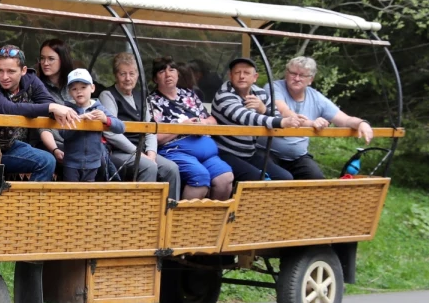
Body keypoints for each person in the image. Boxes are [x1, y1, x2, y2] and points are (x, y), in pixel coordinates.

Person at [0, 44, 81, 181]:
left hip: (11, 146)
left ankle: (32, 201)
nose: (4, 76)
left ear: (23, 70)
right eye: (0, 70)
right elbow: (8, 109)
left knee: (48, 160)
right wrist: (52, 108)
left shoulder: (31, 80)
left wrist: (79, 114)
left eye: (11, 71)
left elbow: (47, 102)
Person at [268, 56, 374, 180]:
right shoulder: (274, 87)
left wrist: (362, 123)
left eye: (302, 75)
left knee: (317, 179)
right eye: (293, 73)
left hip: (298, 157)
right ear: (286, 74)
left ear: (310, 79)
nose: (296, 78)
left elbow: (345, 120)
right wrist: (312, 123)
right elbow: (284, 111)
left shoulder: (316, 98)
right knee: (282, 178)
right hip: (268, 153)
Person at [148, 56, 235, 200]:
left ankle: (213, 221)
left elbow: (212, 120)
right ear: (155, 79)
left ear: (177, 74)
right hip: (176, 151)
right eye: (162, 71)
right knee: (199, 178)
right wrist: (181, 128)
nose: (168, 74)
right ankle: (183, 221)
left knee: (225, 179)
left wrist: (202, 123)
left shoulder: (189, 94)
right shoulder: (152, 101)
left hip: (207, 152)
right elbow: (153, 137)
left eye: (172, 69)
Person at [98, 53, 182, 200]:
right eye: (123, 74)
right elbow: (111, 133)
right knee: (148, 166)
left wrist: (151, 153)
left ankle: (168, 213)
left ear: (137, 75)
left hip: (142, 152)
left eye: (132, 73)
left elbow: (150, 128)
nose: (128, 78)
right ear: (116, 75)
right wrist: (138, 154)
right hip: (118, 152)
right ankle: (142, 215)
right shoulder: (108, 95)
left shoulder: (141, 96)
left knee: (171, 169)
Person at [212, 57, 304, 182]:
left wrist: (264, 109)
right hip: (225, 153)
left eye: (246, 73)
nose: (242, 76)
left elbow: (275, 115)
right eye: (237, 73)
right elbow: (246, 118)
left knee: (284, 177)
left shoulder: (260, 93)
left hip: (249, 152)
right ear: (230, 75)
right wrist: (282, 122)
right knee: (256, 178)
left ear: (255, 77)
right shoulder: (224, 94)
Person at [59, 69, 123, 182]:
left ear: (92, 88)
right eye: (74, 89)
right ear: (69, 92)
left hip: (93, 163)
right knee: (70, 193)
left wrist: (105, 119)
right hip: (71, 163)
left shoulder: (99, 109)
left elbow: (120, 127)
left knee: (88, 195)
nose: (79, 91)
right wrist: (80, 119)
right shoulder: (67, 109)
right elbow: (63, 133)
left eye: (83, 87)